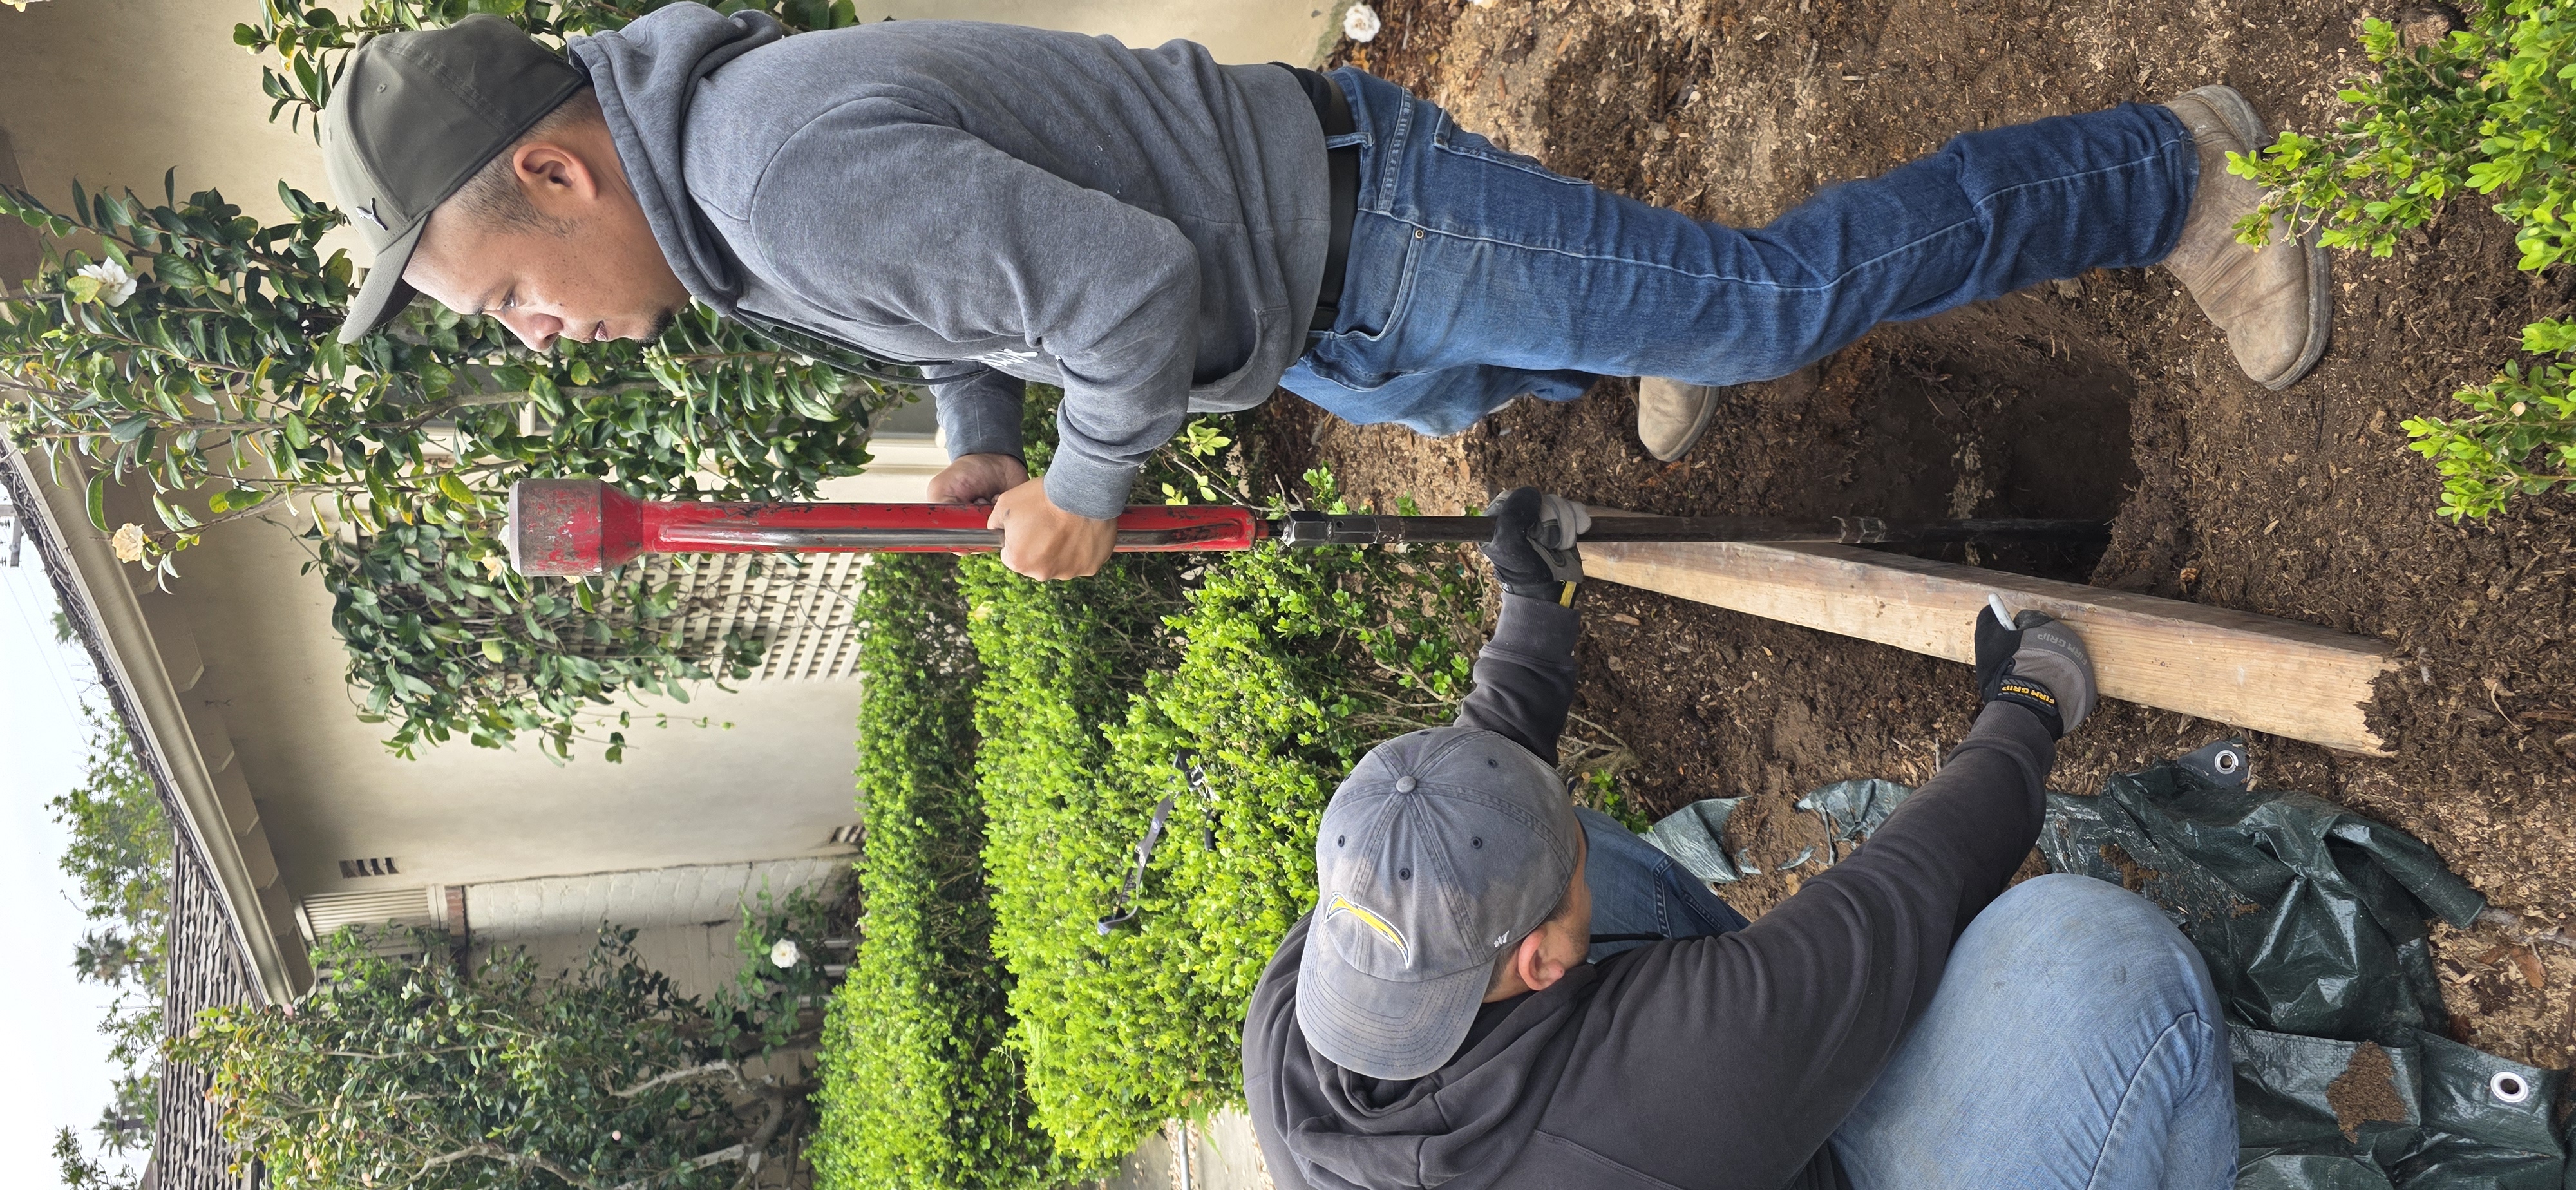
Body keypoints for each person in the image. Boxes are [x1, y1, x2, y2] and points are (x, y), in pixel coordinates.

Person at [320, 9, 2326, 580]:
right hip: (1322, 295)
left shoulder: (776, 176)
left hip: (1355, 229)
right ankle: (1622, 326)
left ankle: (2170, 168)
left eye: (504, 297)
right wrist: (980, 441)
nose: (536, 337)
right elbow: (975, 304)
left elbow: (1120, 286)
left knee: (1769, 307)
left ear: (556, 173)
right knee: (1505, 390)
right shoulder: (724, 205)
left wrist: (1083, 491)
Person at [1239, 488, 2236, 1189]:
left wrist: (1534, 610)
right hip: (1755, 1150)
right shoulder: (1663, 1093)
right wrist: (2027, 704)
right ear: (1538, 965)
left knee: (1546, 848)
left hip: (1674, 1113)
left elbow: (1470, 828)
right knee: (2103, 961)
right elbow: (1897, 901)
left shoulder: (1296, 1022)